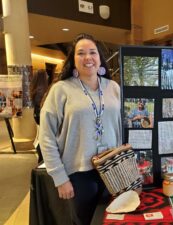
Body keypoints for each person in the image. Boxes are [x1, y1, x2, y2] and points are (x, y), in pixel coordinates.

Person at [39, 33, 122, 225]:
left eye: (92, 52)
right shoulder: (61, 89)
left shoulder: (113, 88)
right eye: (81, 53)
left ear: (100, 57)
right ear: (73, 59)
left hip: (112, 170)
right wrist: (60, 178)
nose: (87, 57)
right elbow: (46, 136)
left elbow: (119, 127)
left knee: (113, 220)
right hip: (78, 174)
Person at [30, 69, 49, 163]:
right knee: (42, 139)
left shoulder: (36, 89)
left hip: (37, 116)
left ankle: (41, 158)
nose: (48, 76)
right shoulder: (42, 91)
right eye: (46, 75)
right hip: (41, 118)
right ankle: (41, 159)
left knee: (39, 137)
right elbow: (42, 106)